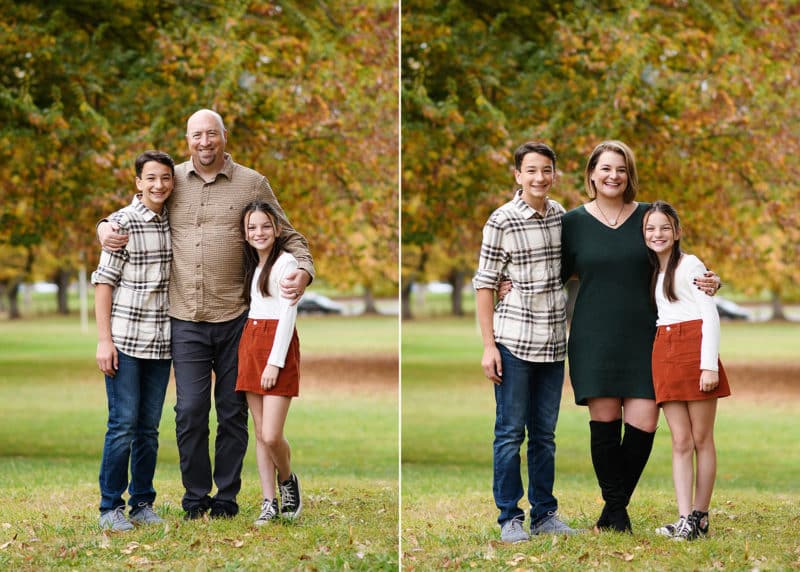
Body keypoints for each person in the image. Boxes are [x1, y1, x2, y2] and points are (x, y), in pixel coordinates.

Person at [98, 109, 315, 519]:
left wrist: (303, 270)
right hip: (184, 320)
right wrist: (103, 226)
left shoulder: (253, 183)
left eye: (211, 134)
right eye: (196, 135)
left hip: (236, 319)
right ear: (187, 140)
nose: (204, 142)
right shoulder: (173, 179)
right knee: (191, 411)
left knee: (233, 414)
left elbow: (289, 234)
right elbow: (136, 205)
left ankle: (227, 499)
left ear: (224, 137)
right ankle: (196, 497)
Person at [560, 140, 720, 533]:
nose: (613, 175)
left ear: (629, 175)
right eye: (606, 168)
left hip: (647, 337)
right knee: (604, 422)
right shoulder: (573, 223)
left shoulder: (649, 216)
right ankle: (615, 516)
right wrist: (509, 285)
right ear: (592, 174)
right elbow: (552, 275)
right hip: (594, 336)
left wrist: (711, 280)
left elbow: (678, 262)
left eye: (621, 169)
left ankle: (612, 511)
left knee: (644, 423)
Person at [473, 142, 578, 543]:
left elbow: (570, 271)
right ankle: (509, 517)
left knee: (545, 435)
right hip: (513, 342)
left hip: (553, 343)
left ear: (554, 174)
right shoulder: (501, 220)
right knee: (510, 432)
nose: (539, 177)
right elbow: (484, 284)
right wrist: (489, 346)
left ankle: (545, 513)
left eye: (546, 170)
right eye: (531, 170)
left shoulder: (562, 218)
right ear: (518, 175)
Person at [92, 150, 175, 531]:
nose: (159, 185)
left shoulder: (175, 220)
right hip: (125, 340)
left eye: (165, 178)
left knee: (148, 428)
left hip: (161, 343)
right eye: (151, 178)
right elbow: (104, 284)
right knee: (122, 424)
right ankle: (110, 507)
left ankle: (142, 502)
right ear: (138, 182)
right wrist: (103, 341)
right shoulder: (122, 224)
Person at [643, 201, 730, 540]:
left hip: (694, 350)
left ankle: (701, 517)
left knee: (701, 439)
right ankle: (684, 519)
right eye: (650, 228)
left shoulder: (691, 264)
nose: (657, 234)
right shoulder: (652, 268)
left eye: (664, 227)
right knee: (680, 441)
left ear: (676, 232)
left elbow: (710, 315)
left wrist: (709, 365)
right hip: (664, 351)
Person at [235, 201, 303, 525]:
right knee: (260, 433)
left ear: (277, 229)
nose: (259, 232)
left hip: (278, 347)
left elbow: (288, 315)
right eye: (252, 227)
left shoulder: (288, 262)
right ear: (245, 234)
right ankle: (268, 501)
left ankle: (288, 480)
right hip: (251, 341)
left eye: (265, 226)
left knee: (273, 434)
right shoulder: (254, 265)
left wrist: (275, 362)